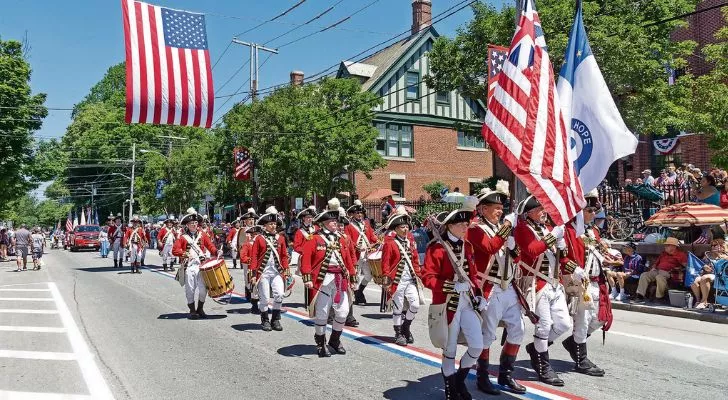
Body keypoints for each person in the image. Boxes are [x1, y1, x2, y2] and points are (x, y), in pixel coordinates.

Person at [466, 181, 526, 395]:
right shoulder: (474, 229)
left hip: (508, 286)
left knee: (518, 330)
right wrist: (507, 228)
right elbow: (490, 247)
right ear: (482, 209)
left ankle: (506, 375)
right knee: (488, 334)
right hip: (489, 288)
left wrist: (514, 246)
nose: (500, 211)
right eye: (495, 207)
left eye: (501, 207)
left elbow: (517, 257)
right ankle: (482, 377)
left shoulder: (499, 229)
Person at [422, 196, 485, 400]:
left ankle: (459, 381)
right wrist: (450, 286)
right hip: (448, 304)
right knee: (449, 350)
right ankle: (450, 390)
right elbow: (428, 278)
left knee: (477, 345)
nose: (465, 227)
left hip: (467, 303)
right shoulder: (436, 248)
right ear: (449, 226)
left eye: (466, 223)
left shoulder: (468, 246)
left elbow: (473, 274)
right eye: (460, 224)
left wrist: (479, 294)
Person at [513, 195, 570, 387]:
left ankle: (536, 348)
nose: (544, 212)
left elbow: (559, 257)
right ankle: (544, 366)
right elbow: (532, 250)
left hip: (554, 283)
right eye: (540, 209)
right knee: (544, 325)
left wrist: (564, 250)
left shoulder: (545, 229)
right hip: (536, 283)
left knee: (563, 324)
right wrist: (554, 235)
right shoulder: (522, 229)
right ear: (529, 213)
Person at [560, 190, 612, 377]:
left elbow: (596, 254)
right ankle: (581, 360)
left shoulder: (593, 231)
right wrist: (576, 269)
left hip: (596, 281)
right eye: (589, 210)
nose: (593, 214)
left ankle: (573, 343)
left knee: (600, 318)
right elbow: (563, 258)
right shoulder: (569, 230)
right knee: (583, 321)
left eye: (593, 210)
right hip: (581, 282)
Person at [300, 199, 357, 357]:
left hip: (340, 279)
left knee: (343, 312)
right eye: (331, 221)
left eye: (335, 220)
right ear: (324, 223)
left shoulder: (342, 238)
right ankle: (320, 343)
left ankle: (335, 339)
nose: (335, 223)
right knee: (323, 313)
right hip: (322, 280)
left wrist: (353, 278)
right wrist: (307, 278)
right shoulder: (314, 238)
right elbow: (306, 259)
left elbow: (349, 260)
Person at [381, 206, 422, 347]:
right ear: (396, 228)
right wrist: (386, 281)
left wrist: (419, 275)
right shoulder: (390, 243)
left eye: (407, 227)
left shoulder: (410, 242)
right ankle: (398, 333)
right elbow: (385, 263)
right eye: (402, 227)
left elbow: (415, 260)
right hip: (396, 281)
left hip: (410, 279)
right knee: (398, 309)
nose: (406, 229)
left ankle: (406, 327)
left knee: (415, 305)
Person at [172, 208, 221, 319]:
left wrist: (216, 251)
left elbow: (210, 246)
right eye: (191, 223)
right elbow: (174, 250)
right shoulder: (183, 237)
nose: (194, 225)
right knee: (190, 289)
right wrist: (184, 253)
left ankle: (200, 308)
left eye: (195, 222)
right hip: (189, 266)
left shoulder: (203, 234)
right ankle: (192, 310)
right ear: (187, 225)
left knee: (203, 289)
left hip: (201, 266)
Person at [249, 206, 290, 332]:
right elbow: (254, 256)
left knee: (279, 295)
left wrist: (286, 270)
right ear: (265, 225)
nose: (273, 226)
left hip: (277, 271)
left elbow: (283, 256)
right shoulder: (259, 239)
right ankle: (265, 320)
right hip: (263, 272)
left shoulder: (281, 239)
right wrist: (254, 274)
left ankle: (275, 319)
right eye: (270, 224)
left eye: (274, 224)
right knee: (265, 298)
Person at [346, 199, 380, 305]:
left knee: (368, 276)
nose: (359, 214)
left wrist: (378, 240)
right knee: (355, 275)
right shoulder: (349, 225)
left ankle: (359, 291)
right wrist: (356, 246)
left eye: (361, 212)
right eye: (357, 213)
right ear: (353, 214)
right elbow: (348, 239)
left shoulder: (366, 223)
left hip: (366, 253)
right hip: (356, 255)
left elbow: (371, 235)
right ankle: (357, 294)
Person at [635, 237, 687, 303]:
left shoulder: (681, 255)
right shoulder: (663, 253)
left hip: (669, 272)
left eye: (667, 245)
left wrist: (679, 268)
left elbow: (685, 266)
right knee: (644, 275)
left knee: (659, 277)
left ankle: (659, 297)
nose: (665, 246)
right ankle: (640, 296)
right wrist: (653, 268)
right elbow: (656, 263)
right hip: (657, 270)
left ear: (673, 247)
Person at [691, 228, 728, 309]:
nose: (713, 247)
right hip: (706, 273)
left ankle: (704, 301)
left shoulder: (725, 256)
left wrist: (720, 255)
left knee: (705, 278)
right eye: (712, 245)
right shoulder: (707, 255)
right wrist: (704, 267)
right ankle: (698, 300)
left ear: (721, 247)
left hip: (719, 276)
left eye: (716, 245)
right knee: (694, 280)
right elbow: (701, 264)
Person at [238, 208, 260, 312]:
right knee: (248, 279)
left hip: (259, 261)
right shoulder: (243, 230)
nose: (251, 221)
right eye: (249, 219)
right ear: (245, 220)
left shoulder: (259, 229)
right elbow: (239, 242)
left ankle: (255, 298)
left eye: (252, 219)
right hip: (248, 258)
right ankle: (249, 294)